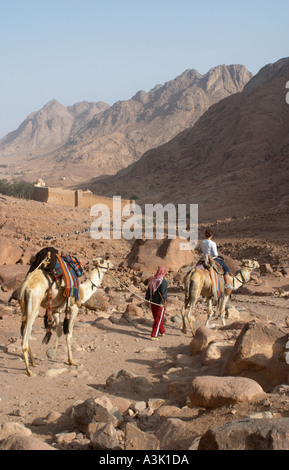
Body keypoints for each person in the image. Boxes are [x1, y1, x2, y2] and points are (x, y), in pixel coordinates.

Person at [145, 266, 168, 340]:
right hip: (159, 304)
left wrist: (147, 299)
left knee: (157, 318)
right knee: (158, 319)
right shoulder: (163, 282)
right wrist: (163, 303)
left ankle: (162, 331)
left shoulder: (153, 279)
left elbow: (149, 290)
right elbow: (164, 294)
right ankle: (154, 335)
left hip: (153, 302)